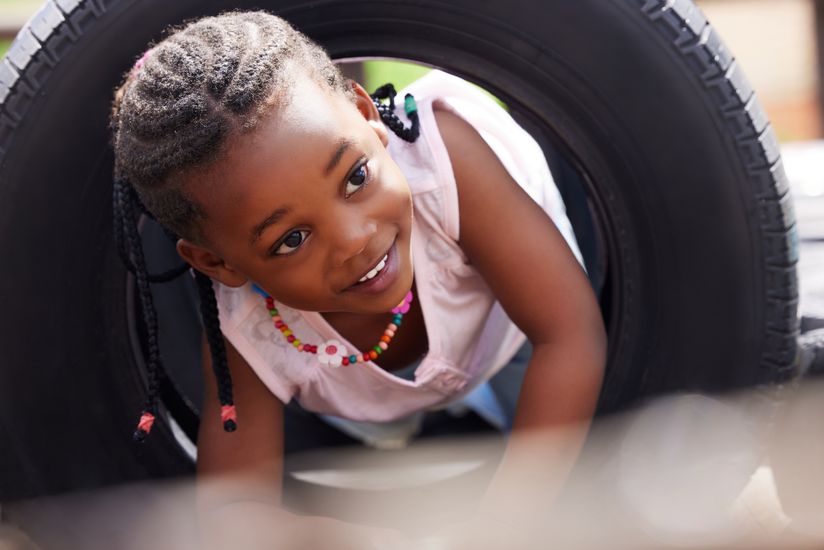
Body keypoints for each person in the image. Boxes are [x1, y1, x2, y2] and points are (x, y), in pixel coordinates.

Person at [110, 10, 606, 548]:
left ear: (365, 113)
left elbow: (570, 332)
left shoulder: (448, 170)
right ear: (218, 264)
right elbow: (231, 511)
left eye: (355, 177)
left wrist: (503, 526)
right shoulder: (249, 332)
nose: (352, 238)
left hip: (507, 333)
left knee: (584, 461)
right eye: (291, 239)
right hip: (360, 402)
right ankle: (437, 426)